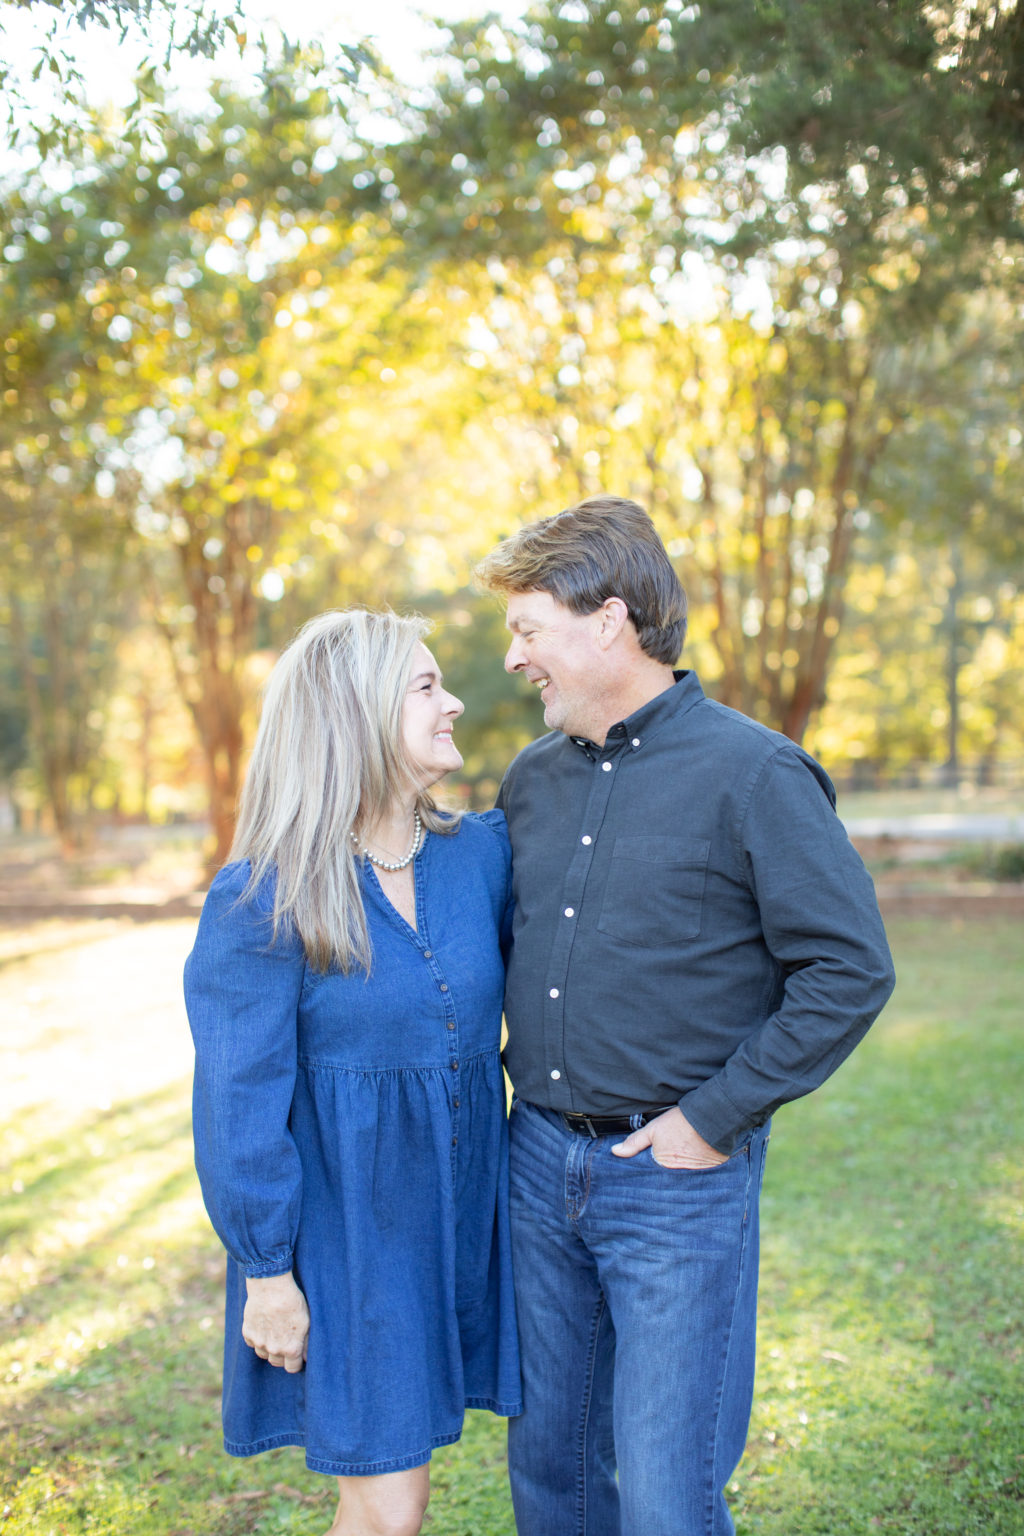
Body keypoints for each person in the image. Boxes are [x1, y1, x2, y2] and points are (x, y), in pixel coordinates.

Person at [475, 496, 896, 1536]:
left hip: (673, 1185)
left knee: (667, 1496)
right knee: (552, 1476)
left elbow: (848, 968)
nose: (514, 658)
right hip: (535, 1167)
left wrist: (713, 1120)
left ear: (607, 620)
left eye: (528, 630)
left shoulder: (755, 772)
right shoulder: (529, 782)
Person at [183, 609, 520, 1536]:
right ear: (356, 712)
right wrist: (265, 1273)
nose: (453, 702)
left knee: (394, 1503)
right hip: (347, 1242)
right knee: (387, 1508)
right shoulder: (266, 895)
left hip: (459, 1220)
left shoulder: (479, 856)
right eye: (424, 686)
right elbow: (235, 1102)